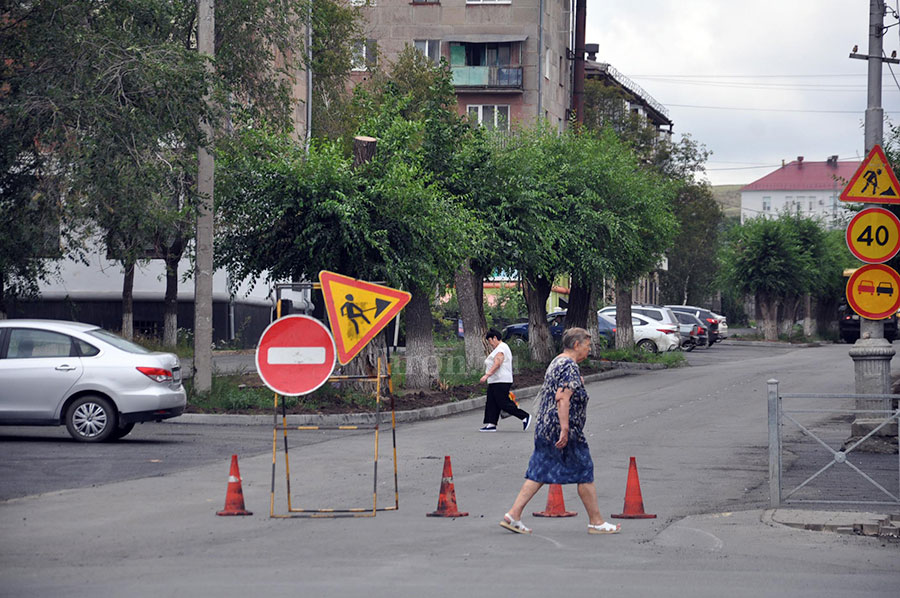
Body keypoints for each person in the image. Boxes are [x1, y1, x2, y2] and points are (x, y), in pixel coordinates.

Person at [498, 327, 620, 535]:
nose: (588, 350)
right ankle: (596, 522)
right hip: (562, 429)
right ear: (576, 345)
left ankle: (513, 515)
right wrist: (565, 429)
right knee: (584, 470)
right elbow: (562, 398)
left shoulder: (557, 361)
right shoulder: (569, 365)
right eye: (587, 345)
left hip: (545, 426)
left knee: (539, 471)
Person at [479, 329, 531, 432]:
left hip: (501, 380)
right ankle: (491, 424)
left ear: (494, 338)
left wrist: (487, 375)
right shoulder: (499, 348)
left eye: (490, 341)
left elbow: (498, 363)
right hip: (494, 381)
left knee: (503, 402)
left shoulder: (501, 348)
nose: (490, 344)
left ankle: (524, 416)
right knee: (491, 402)